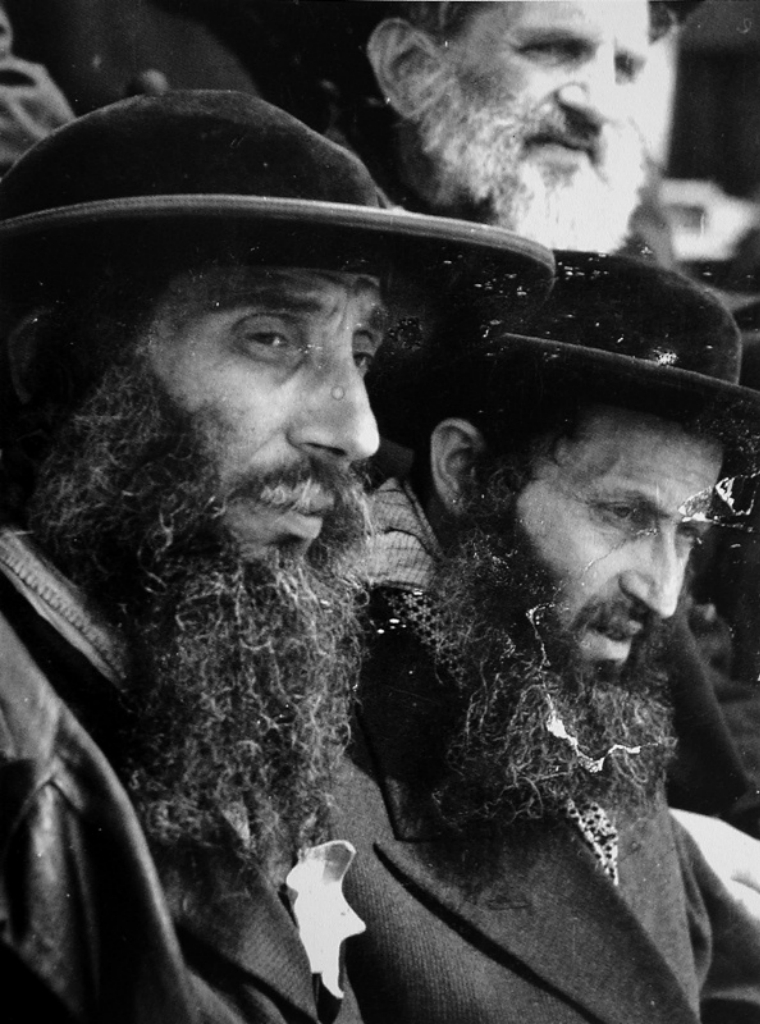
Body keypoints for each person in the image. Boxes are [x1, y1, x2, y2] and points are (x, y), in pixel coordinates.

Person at [0, 89, 554, 1023]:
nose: (358, 431)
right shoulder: (21, 764)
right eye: (271, 337)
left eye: (361, 351)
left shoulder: (192, 675)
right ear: (61, 365)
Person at [333, 252, 760, 1023]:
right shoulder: (321, 732)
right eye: (625, 516)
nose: (663, 592)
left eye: (687, 533)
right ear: (465, 471)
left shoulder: (559, 666)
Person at [335, 0, 701, 253]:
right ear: (410, 70)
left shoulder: (633, 213)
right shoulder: (324, 218)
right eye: (555, 49)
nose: (602, 107)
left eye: (624, 67)